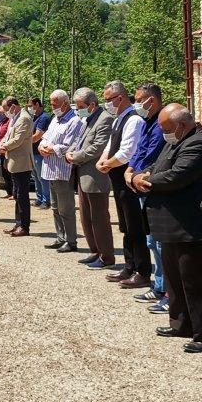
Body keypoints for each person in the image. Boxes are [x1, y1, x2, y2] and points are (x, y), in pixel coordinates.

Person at [134, 104, 202, 353]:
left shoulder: (199, 143)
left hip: (191, 225)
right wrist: (145, 173)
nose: (164, 133)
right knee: (175, 278)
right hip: (172, 224)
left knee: (196, 280)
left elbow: (176, 176)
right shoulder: (176, 141)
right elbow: (161, 167)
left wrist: (145, 180)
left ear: (181, 125)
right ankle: (181, 323)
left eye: (167, 128)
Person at [97, 81, 153, 289]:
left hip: (129, 179)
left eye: (108, 100)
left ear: (119, 98)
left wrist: (108, 164)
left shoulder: (134, 120)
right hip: (117, 178)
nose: (106, 104)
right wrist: (103, 160)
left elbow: (128, 151)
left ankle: (142, 270)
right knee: (125, 226)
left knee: (135, 226)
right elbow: (111, 146)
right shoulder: (117, 120)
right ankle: (129, 265)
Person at [124, 84, 168, 312]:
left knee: (160, 243)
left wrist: (134, 175)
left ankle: (167, 290)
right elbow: (140, 150)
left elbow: (152, 154)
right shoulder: (149, 121)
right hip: (140, 185)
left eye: (139, 99)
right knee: (152, 241)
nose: (136, 103)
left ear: (152, 100)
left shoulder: (162, 123)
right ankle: (159, 286)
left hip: (152, 187)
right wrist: (130, 169)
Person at [66, 87, 115, 269]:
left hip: (96, 177)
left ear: (92, 104)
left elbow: (98, 148)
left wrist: (75, 157)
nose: (78, 110)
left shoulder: (105, 119)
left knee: (99, 218)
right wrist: (70, 151)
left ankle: (107, 257)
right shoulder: (88, 119)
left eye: (80, 106)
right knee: (86, 217)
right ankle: (95, 251)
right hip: (83, 175)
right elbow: (80, 142)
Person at [39, 90, 85, 253]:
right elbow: (45, 137)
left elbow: (70, 145)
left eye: (54, 104)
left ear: (65, 103)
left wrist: (51, 148)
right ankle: (61, 237)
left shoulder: (74, 121)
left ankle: (71, 241)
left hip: (63, 170)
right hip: (50, 169)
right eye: (51, 104)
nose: (52, 107)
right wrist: (41, 146)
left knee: (66, 208)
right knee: (55, 207)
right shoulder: (55, 120)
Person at [0, 96, 35, 237]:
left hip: (22, 162)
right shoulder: (15, 117)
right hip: (13, 161)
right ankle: (18, 224)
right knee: (16, 195)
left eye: (7, 109)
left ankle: (24, 227)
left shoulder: (24, 118)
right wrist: (1, 143)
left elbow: (18, 139)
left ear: (13, 106)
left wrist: (4, 147)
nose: (6, 113)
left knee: (22, 195)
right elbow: (8, 135)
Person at [29, 97, 53, 209]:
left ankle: (46, 200)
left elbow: (37, 136)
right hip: (33, 152)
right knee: (36, 177)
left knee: (43, 177)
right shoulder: (35, 118)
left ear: (37, 104)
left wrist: (23, 142)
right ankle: (39, 198)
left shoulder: (44, 118)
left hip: (40, 153)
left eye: (30, 105)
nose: (29, 108)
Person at [0, 106, 14, 199]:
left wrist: (2, 145)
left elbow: (7, 136)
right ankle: (9, 192)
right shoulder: (1, 123)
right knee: (4, 173)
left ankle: (14, 193)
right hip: (0, 151)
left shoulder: (9, 122)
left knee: (9, 172)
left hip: (6, 150)